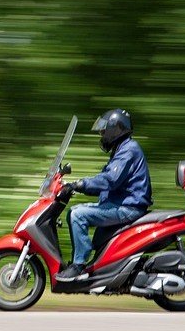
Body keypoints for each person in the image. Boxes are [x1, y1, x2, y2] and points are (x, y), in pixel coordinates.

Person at [56, 108, 152, 281]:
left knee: (77, 214)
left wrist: (79, 184)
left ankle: (78, 265)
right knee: (78, 213)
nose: (101, 135)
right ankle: (95, 269)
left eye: (103, 131)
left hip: (128, 207)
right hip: (120, 204)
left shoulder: (129, 150)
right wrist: (73, 186)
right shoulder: (122, 149)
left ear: (115, 129)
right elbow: (105, 184)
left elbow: (109, 180)